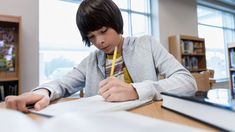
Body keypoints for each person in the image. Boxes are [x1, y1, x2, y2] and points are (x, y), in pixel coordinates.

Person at [5, 0, 197, 112]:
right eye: (91, 37)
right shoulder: (92, 61)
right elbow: (62, 84)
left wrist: (136, 90)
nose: (100, 42)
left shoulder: (146, 44)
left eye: (104, 31)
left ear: (117, 23)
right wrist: (42, 93)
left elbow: (187, 82)